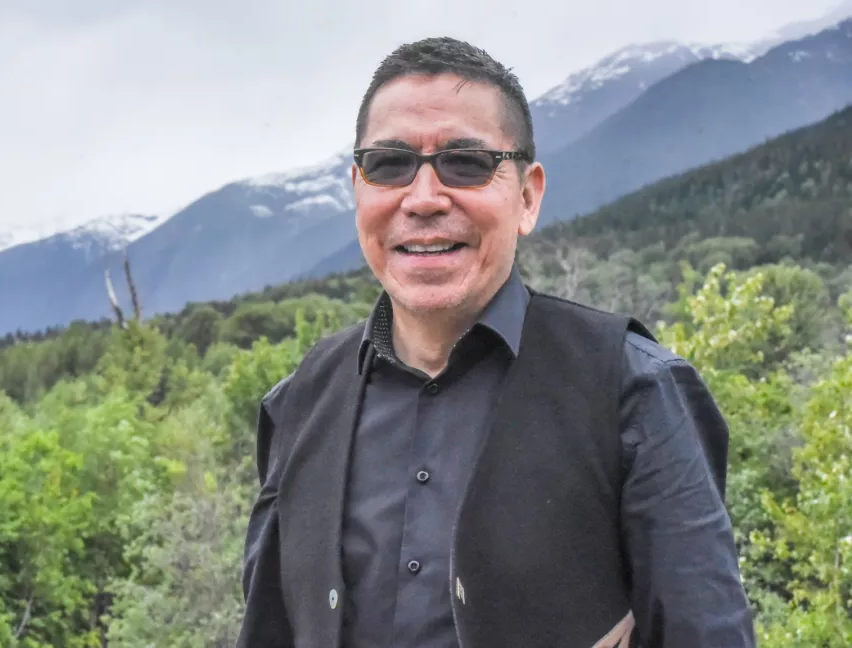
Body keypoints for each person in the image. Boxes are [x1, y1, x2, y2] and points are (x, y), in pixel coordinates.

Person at [234, 36, 756, 648]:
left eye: (466, 163)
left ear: (527, 196)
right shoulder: (298, 405)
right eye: (390, 164)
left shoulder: (632, 390)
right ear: (358, 188)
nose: (423, 198)